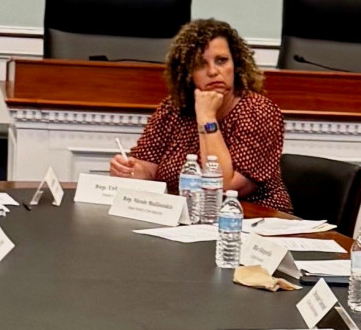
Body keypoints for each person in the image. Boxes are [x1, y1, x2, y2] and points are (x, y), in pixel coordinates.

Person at [109, 18, 291, 212]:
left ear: (236, 65)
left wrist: (206, 117)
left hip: (252, 220)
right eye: (201, 64)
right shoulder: (173, 108)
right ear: (187, 73)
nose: (213, 71)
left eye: (221, 61)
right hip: (187, 220)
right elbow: (147, 167)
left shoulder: (259, 111)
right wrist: (130, 171)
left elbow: (223, 186)